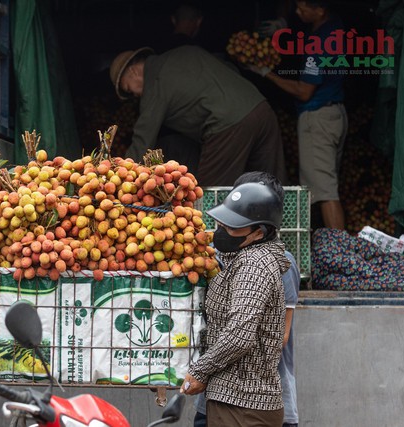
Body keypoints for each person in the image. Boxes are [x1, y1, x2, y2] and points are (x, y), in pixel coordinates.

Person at [193, 172, 300, 427]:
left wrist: (202, 368)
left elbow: (278, 336)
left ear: (259, 229)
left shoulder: (274, 263)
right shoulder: (224, 257)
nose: (224, 229)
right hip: (216, 393)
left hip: (254, 398)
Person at [109, 45, 288, 186]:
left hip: (226, 125)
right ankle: (280, 232)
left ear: (133, 72)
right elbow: (230, 67)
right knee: (271, 185)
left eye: (128, 89)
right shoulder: (186, 52)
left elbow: (143, 138)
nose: (135, 96)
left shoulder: (155, 82)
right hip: (260, 107)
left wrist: (119, 175)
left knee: (210, 195)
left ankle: (215, 234)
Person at [248, 0, 347, 229]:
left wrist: (266, 74)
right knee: (326, 187)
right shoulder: (335, 26)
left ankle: (342, 257)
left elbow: (304, 91)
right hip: (335, 113)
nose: (297, 11)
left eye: (303, 8)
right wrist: (285, 24)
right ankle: (333, 250)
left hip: (318, 117)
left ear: (320, 9)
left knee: (324, 192)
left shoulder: (320, 42)